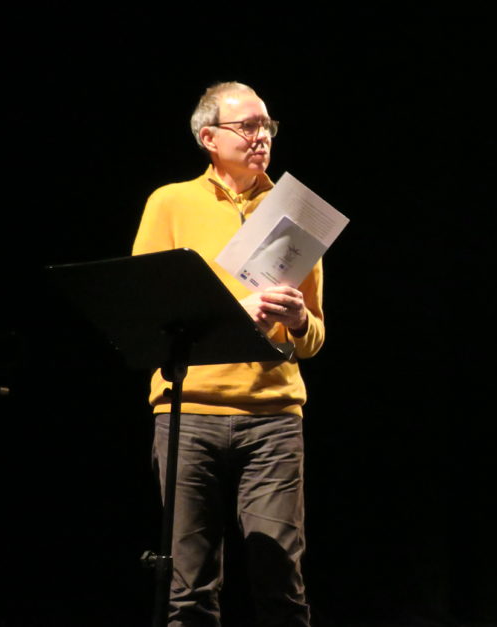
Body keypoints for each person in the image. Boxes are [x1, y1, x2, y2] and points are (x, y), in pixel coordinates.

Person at [133, 82, 325, 627]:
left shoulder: (295, 209)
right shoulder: (170, 202)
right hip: (188, 413)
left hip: (273, 419)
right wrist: (238, 310)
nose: (261, 136)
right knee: (188, 588)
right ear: (208, 137)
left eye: (267, 125)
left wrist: (296, 320)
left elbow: (314, 338)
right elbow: (146, 313)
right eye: (248, 126)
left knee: (282, 587)